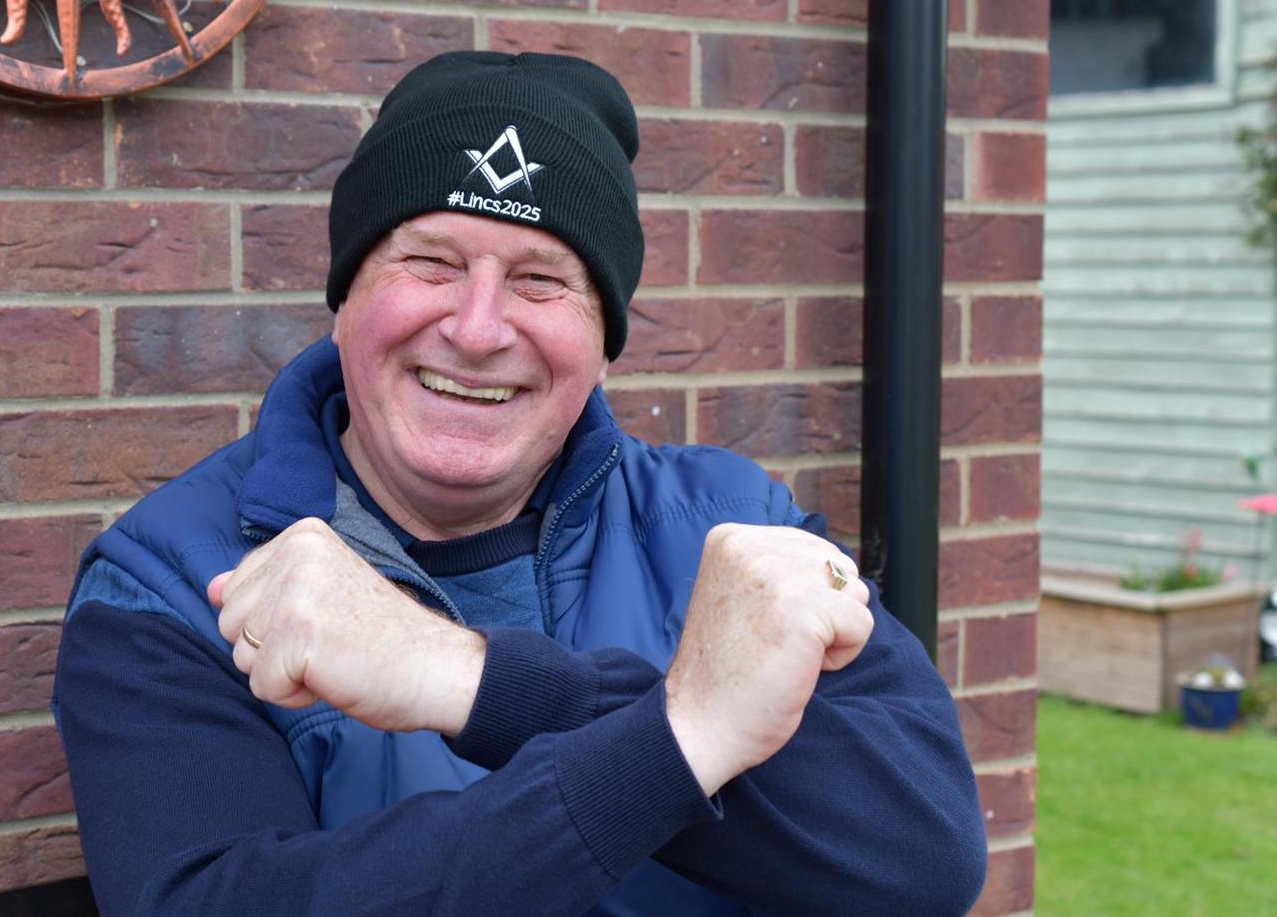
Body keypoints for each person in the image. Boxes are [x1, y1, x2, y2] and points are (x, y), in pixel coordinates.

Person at [53, 51, 989, 916]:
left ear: (604, 345)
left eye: (542, 280)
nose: (476, 328)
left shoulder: (736, 532)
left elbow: (924, 860)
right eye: (431, 262)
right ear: (344, 299)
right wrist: (683, 737)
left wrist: (470, 680)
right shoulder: (174, 586)